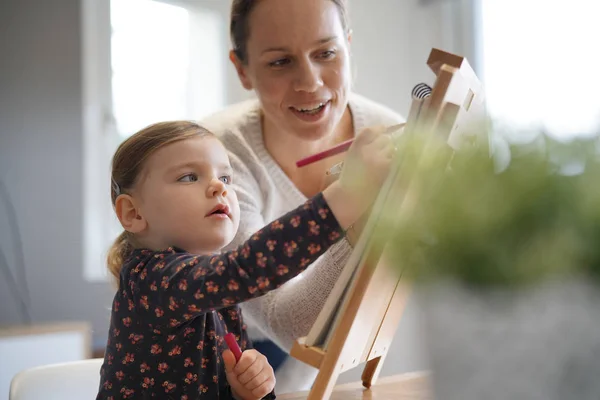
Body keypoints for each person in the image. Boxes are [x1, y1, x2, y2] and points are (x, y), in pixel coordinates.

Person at [96, 120, 394, 399]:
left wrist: (245, 389)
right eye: (189, 177)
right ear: (133, 213)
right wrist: (346, 196)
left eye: (225, 176)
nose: (219, 187)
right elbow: (247, 268)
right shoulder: (152, 279)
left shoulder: (215, 286)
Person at [200, 0, 405, 391]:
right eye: (280, 62)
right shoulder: (217, 155)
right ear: (242, 69)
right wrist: (352, 203)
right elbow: (287, 325)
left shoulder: (389, 131)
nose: (310, 83)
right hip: (224, 365)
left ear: (348, 45)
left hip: (325, 365)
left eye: (326, 53)